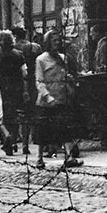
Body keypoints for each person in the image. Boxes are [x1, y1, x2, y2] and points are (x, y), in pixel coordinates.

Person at [34, 30, 80, 169]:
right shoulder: (41, 60)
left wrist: (70, 81)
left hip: (62, 98)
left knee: (64, 128)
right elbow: (39, 81)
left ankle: (69, 157)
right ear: (48, 43)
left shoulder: (63, 58)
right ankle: (39, 158)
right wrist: (48, 97)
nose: (57, 43)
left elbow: (65, 76)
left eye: (59, 40)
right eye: (54, 41)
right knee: (43, 131)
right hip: (46, 102)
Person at [0, 31, 27, 155]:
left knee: (4, 115)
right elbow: (24, 73)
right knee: (15, 116)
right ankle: (13, 139)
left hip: (2, 87)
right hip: (17, 87)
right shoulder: (19, 55)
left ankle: (7, 140)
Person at [13, 26, 42, 155]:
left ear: (15, 35)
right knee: (35, 111)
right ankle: (36, 138)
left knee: (18, 114)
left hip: (18, 82)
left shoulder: (13, 49)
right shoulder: (35, 47)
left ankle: (18, 142)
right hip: (34, 81)